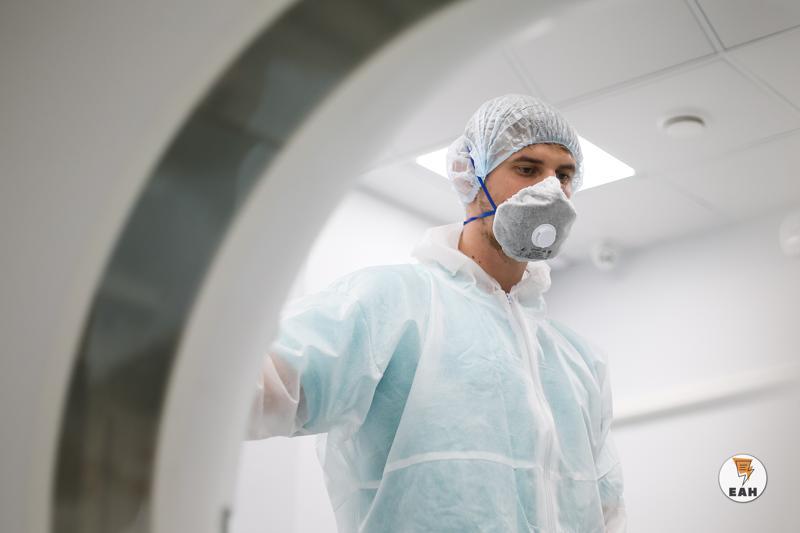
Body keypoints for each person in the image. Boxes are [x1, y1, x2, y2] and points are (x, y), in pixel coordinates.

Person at [248, 94, 627, 532]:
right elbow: (251, 385)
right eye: (527, 169)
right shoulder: (392, 304)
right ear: (470, 175)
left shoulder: (579, 361)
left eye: (564, 175)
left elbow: (606, 511)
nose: (551, 190)